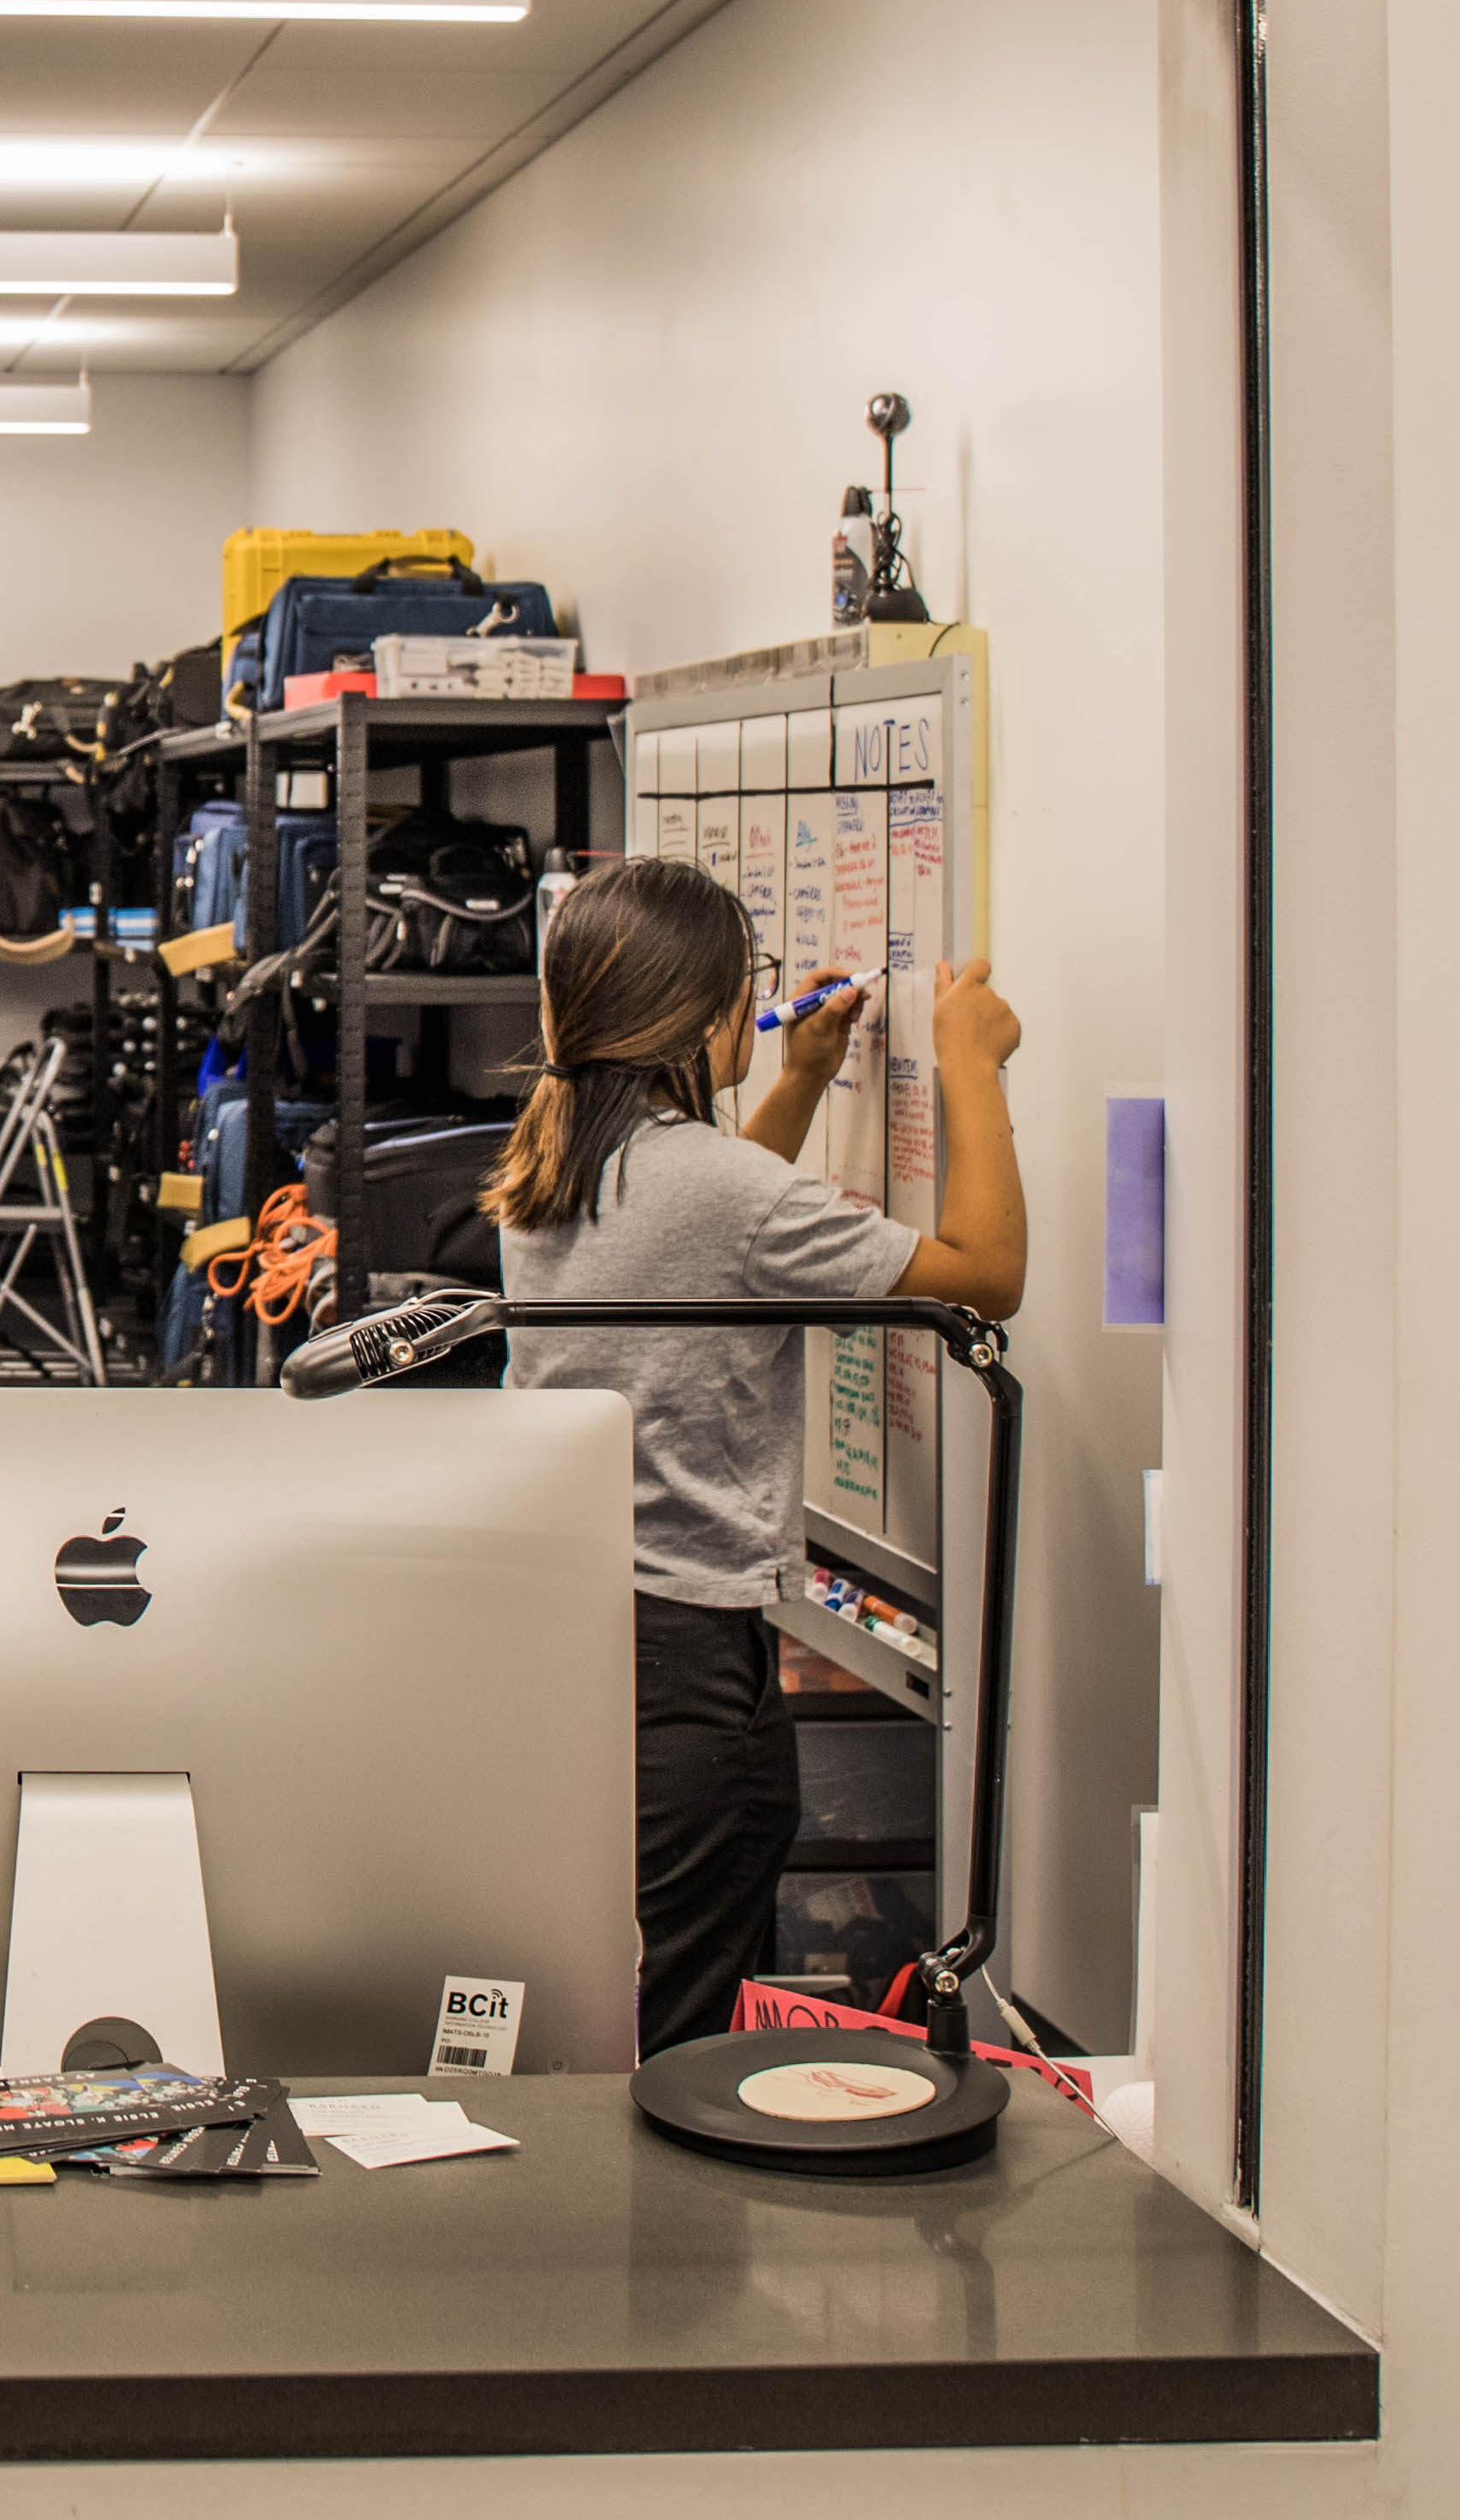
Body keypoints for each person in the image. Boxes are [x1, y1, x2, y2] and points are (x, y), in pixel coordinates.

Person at [478, 856, 1025, 2058]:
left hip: (580, 1619)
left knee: (636, 1970)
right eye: (751, 985)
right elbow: (985, 1279)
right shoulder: (715, 1187)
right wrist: (967, 1065)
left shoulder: (563, 1141)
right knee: (680, 2010)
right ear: (706, 1009)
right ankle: (662, 2239)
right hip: (685, 1651)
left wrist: (802, 1083)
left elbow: (712, 1241)